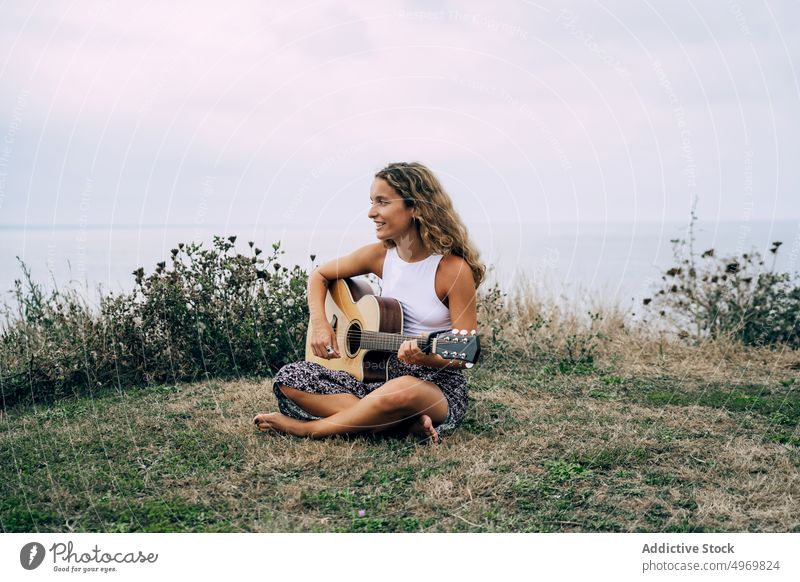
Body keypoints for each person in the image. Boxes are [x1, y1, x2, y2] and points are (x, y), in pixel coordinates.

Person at [253, 162, 485, 443]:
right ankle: (396, 423)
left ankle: (309, 429)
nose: (371, 212)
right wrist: (320, 325)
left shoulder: (453, 270)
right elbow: (320, 276)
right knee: (290, 378)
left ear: (416, 207)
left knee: (402, 390)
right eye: (372, 202)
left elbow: (464, 355)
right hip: (376, 378)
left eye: (382, 202)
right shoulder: (380, 256)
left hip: (433, 385)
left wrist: (426, 356)